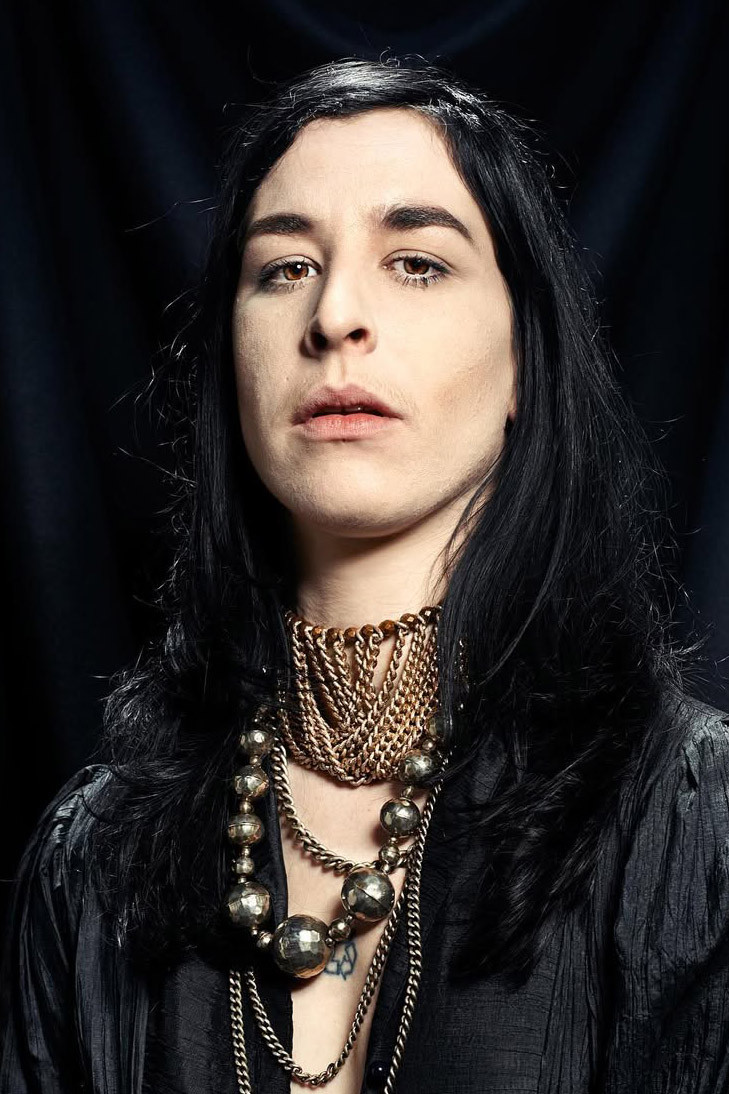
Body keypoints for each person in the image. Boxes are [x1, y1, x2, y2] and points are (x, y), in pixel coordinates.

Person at [2, 54, 729, 1094]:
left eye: (417, 262)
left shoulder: (693, 824)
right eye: (284, 268)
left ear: (526, 358)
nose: (335, 313)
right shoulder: (95, 855)